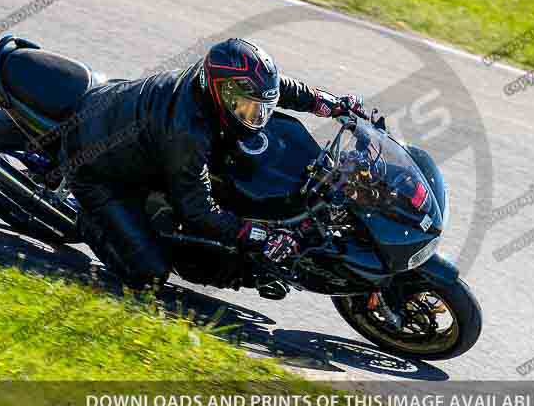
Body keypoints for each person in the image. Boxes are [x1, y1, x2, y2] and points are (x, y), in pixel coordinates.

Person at [65, 38, 364, 297]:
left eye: (259, 107)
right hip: (96, 167)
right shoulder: (188, 134)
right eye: (248, 108)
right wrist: (259, 235)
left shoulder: (218, 79)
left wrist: (329, 103)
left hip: (131, 124)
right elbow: (198, 212)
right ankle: (86, 217)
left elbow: (273, 88)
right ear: (220, 93)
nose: (257, 114)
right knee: (148, 275)